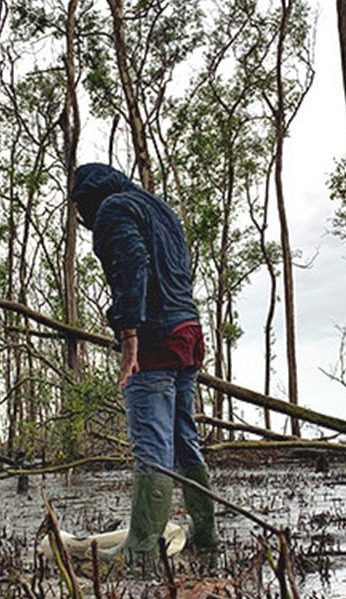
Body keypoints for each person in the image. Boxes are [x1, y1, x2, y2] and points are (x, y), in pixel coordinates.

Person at [70, 163, 219, 561]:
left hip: (154, 338)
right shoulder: (160, 209)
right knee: (183, 438)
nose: (85, 220)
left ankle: (140, 550)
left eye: (81, 210)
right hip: (188, 333)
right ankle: (205, 534)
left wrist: (129, 335)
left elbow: (131, 266)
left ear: (87, 200)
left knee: (151, 444)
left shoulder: (112, 211)